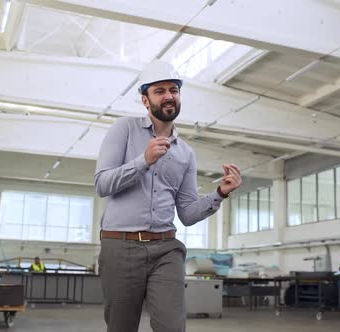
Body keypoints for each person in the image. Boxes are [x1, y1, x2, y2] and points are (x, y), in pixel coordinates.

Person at [94, 59, 242, 332]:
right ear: (145, 100)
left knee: (173, 327)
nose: (168, 96)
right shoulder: (124, 130)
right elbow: (103, 184)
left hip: (166, 249)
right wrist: (143, 161)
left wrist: (219, 194)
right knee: (121, 327)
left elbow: (186, 213)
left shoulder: (185, 153)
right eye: (159, 91)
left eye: (173, 89)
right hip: (121, 246)